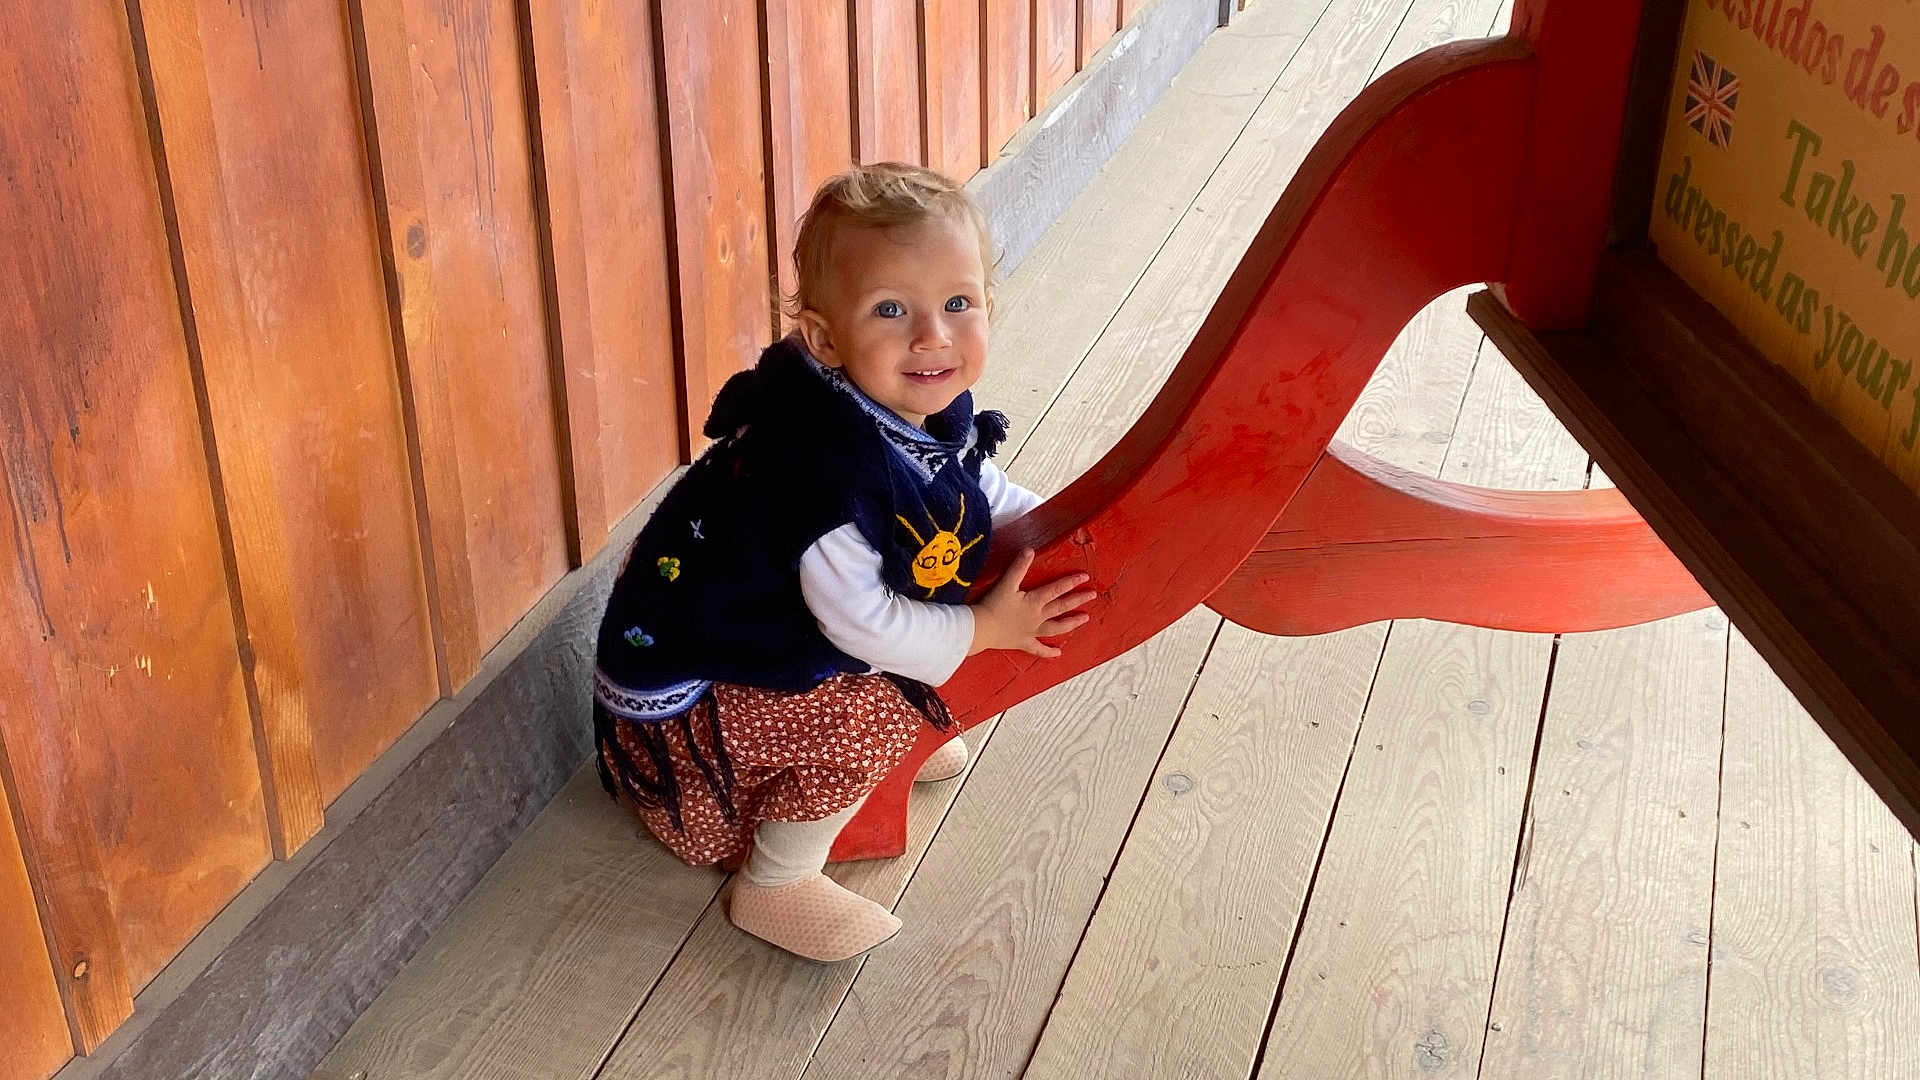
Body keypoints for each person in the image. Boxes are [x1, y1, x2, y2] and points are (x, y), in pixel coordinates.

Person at [592, 163, 1095, 962]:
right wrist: (982, 628)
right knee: (877, 714)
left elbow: (969, 478)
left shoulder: (902, 399)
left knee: (919, 650)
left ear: (988, 308)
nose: (933, 335)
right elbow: (864, 624)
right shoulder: (818, 477)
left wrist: (1050, 523)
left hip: (747, 627)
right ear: (825, 338)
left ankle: (853, 768)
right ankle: (776, 881)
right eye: (891, 310)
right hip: (697, 703)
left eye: (957, 304)